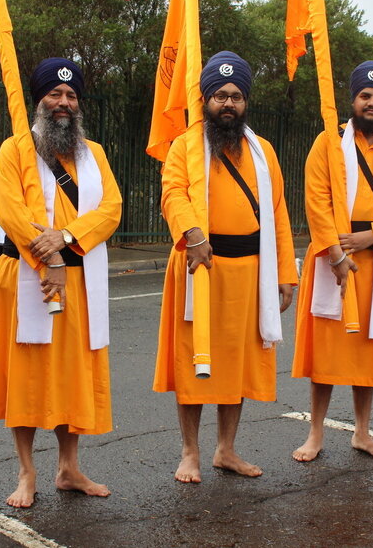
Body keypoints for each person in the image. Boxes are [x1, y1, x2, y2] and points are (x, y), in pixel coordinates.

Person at [0, 58, 122, 508]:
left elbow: (111, 208)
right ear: (39, 100)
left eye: (71, 95)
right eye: (55, 94)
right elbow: (14, 213)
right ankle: (26, 472)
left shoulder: (93, 153)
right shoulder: (15, 149)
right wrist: (50, 254)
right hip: (26, 277)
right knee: (27, 377)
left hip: (78, 282)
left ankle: (68, 468)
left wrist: (68, 237)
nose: (63, 102)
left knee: (71, 378)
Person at [153, 51, 297, 482]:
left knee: (236, 365)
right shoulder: (184, 146)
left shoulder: (263, 151)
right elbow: (172, 194)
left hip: (250, 272)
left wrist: (286, 274)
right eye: (219, 96)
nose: (228, 104)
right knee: (194, 363)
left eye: (235, 96)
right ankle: (190, 453)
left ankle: (226, 450)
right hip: (199, 267)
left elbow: (278, 213)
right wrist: (192, 235)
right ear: (205, 99)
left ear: (245, 102)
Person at [292, 61, 373, 462]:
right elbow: (316, 201)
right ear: (352, 100)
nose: (371, 103)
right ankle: (315, 434)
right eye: (365, 96)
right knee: (327, 351)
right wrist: (334, 252)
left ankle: (362, 433)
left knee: (368, 348)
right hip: (335, 262)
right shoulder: (327, 144)